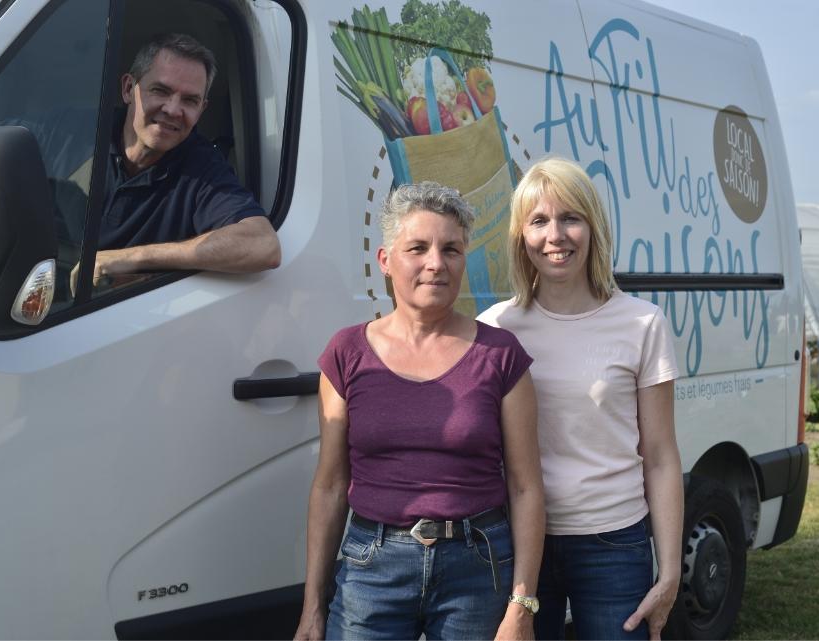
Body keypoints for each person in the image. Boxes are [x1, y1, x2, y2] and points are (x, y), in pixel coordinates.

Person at [293, 182, 545, 641]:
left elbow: (526, 487)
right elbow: (329, 486)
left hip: (477, 566)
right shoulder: (346, 353)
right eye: (418, 248)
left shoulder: (501, 354)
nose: (436, 263)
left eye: (451, 249)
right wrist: (313, 607)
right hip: (372, 567)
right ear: (386, 261)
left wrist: (521, 605)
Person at [477, 157, 683, 641]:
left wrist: (670, 570)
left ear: (593, 227)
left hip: (615, 543)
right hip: (522, 546)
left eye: (571, 218)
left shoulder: (642, 323)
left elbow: (660, 455)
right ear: (519, 236)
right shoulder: (494, 329)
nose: (556, 236)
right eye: (539, 221)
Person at [71, 33, 280, 291]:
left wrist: (133, 259)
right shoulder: (72, 133)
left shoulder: (203, 167)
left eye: (190, 100)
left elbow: (263, 245)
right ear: (128, 89)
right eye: (160, 90)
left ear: (202, 109)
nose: (173, 110)